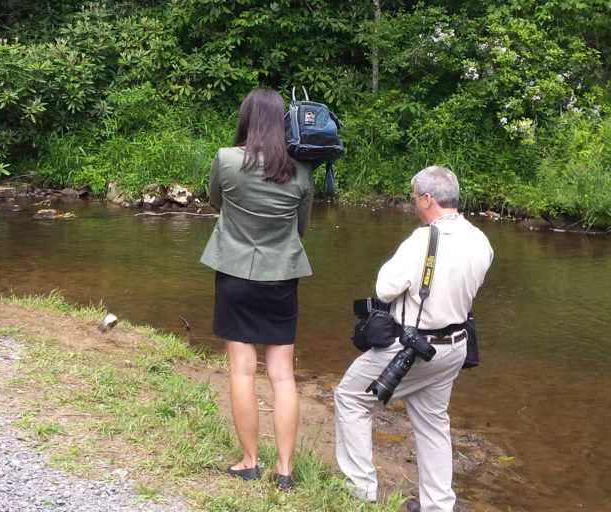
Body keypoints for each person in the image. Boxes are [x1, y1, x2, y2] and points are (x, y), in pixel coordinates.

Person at [334, 166, 493, 512]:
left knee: (349, 398)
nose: (413, 205)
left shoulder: (423, 240)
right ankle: (438, 505)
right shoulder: (480, 239)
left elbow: (384, 288)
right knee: (433, 420)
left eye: (414, 198)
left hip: (411, 349)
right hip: (455, 347)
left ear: (427, 198)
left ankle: (359, 491)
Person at [200, 87, 314, 490]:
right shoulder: (301, 169)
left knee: (242, 371)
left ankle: (249, 462)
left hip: (234, 274)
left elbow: (215, 200)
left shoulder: (227, 160)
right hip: (281, 278)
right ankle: (284, 471)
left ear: (246, 118)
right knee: (282, 376)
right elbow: (301, 228)